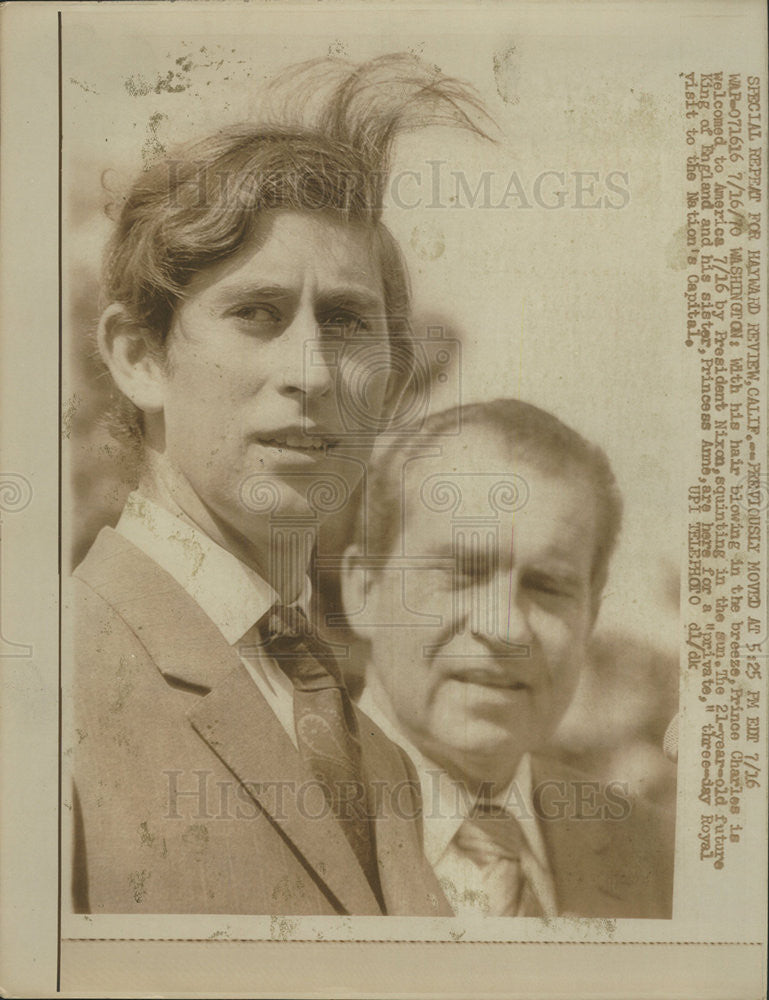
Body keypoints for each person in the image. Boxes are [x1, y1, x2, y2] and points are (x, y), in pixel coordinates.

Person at [65, 54, 492, 916]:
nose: (312, 371)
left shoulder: (380, 761)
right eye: (256, 312)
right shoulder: (45, 684)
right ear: (139, 357)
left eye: (345, 323)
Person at [339, 399, 675, 918]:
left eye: (549, 586)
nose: (507, 628)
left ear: (590, 616)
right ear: (363, 589)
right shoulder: (257, 819)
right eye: (462, 574)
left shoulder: (660, 858)